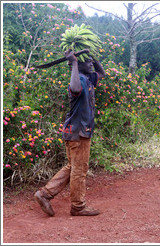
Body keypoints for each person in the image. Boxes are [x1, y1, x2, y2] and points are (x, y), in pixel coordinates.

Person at [34, 49, 105, 216]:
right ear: (78, 64)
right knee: (79, 169)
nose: (90, 63)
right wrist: (73, 62)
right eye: (86, 61)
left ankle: (44, 194)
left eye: (90, 61)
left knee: (73, 167)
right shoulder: (79, 79)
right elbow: (74, 87)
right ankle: (78, 206)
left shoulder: (88, 79)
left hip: (76, 131)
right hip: (78, 132)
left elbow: (101, 72)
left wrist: (92, 56)